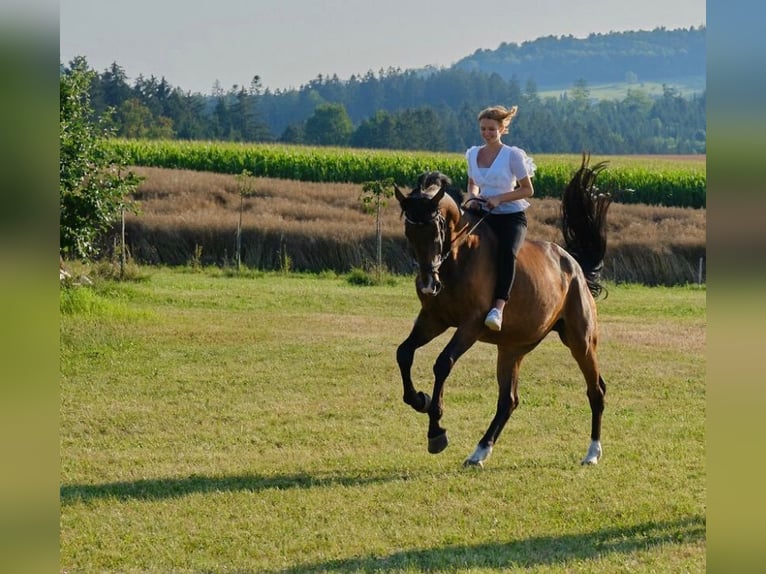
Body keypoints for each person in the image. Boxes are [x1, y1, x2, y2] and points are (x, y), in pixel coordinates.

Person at [464, 105, 536, 331]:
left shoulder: (512, 155)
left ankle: (498, 308)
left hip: (510, 216)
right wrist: (473, 197)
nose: (487, 133)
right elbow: (472, 183)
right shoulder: (472, 153)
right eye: (483, 129)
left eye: (492, 129)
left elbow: (527, 190)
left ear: (502, 129)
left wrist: (500, 199)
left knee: (507, 253)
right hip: (482, 212)